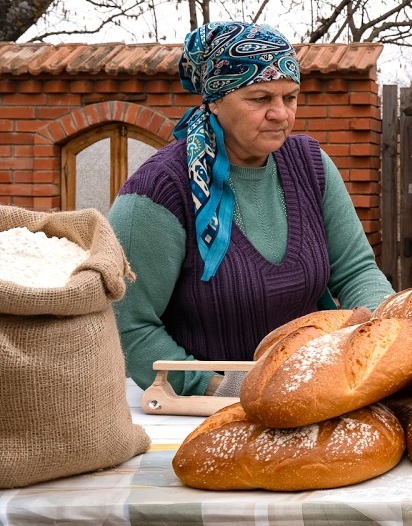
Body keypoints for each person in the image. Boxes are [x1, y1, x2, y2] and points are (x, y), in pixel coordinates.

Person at [109, 21, 393, 397]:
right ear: (215, 99)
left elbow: (357, 271)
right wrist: (229, 389)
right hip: (201, 411)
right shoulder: (159, 193)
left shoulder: (310, 166)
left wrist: (384, 339)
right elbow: (128, 328)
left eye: (289, 98)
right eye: (260, 99)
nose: (280, 114)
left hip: (314, 392)